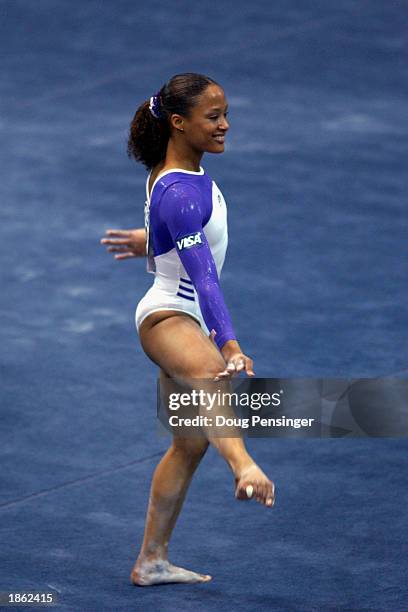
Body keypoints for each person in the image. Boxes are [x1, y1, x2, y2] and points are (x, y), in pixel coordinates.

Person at [100, 73, 275, 586]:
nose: (225, 125)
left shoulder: (178, 175)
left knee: (189, 443)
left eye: (224, 113)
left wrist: (149, 240)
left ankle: (150, 561)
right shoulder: (181, 191)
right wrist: (231, 345)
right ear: (179, 123)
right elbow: (203, 279)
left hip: (180, 307)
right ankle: (244, 466)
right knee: (213, 374)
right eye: (213, 117)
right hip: (168, 315)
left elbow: (175, 228)